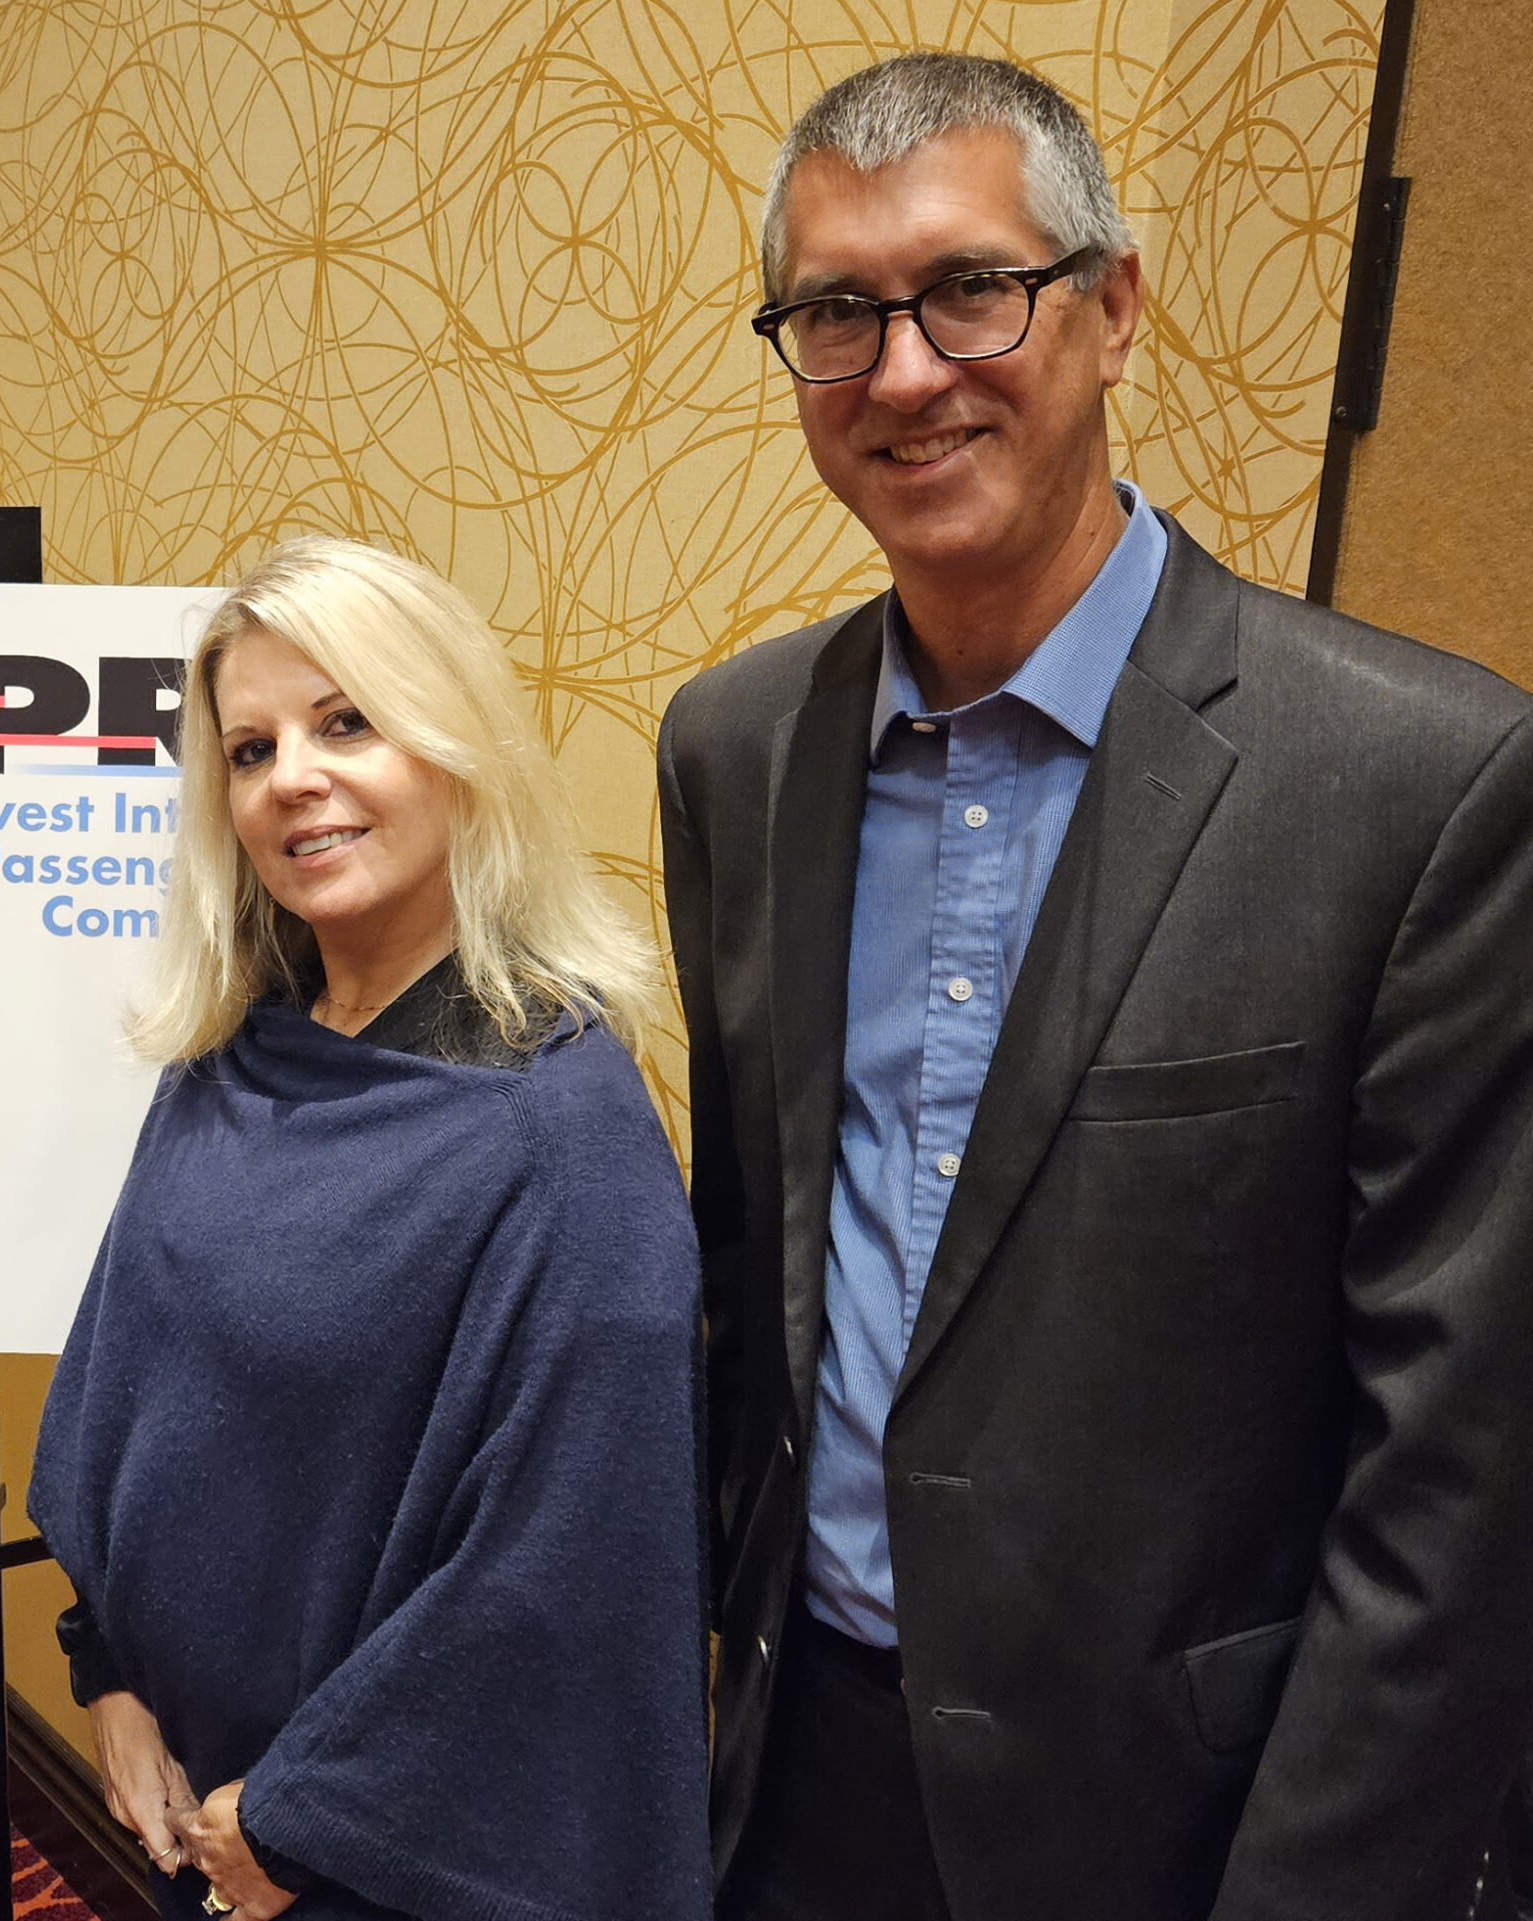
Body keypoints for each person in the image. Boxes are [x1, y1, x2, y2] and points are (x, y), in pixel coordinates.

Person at [657, 50, 1533, 1921]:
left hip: (1185, 1824)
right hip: (799, 1777)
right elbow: (753, 1268)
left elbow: (1454, 1489)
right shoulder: (732, 747)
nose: (904, 370)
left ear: (1114, 306)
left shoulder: (1420, 785)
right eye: (835, 313)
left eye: (974, 287)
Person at [27, 536, 712, 1921]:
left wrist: (292, 1822)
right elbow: (134, 1379)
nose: (295, 777)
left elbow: (564, 1573)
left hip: (390, 1856)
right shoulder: (231, 1053)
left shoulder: (556, 1128)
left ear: (454, 749)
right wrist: (110, 1673)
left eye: (349, 722)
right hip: (194, 1796)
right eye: (252, 745)